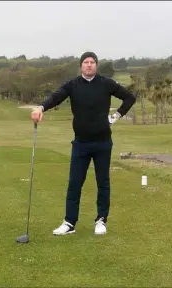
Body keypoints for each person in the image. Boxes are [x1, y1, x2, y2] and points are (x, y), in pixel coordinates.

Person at [30, 51, 136, 236]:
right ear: (81, 66)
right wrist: (41, 107)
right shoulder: (73, 85)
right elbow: (56, 96)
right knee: (74, 183)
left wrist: (115, 116)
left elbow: (129, 98)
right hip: (80, 143)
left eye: (92, 62)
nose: (89, 65)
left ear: (96, 65)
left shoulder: (106, 83)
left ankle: (101, 220)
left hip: (103, 143)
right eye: (86, 62)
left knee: (102, 182)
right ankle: (70, 222)